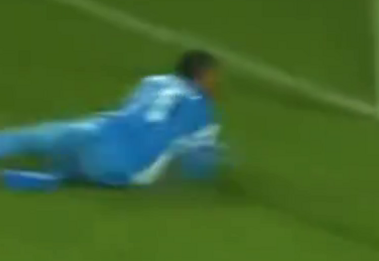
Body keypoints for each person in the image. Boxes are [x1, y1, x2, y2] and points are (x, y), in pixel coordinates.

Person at [0, 50, 225, 191]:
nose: (215, 82)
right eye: (212, 76)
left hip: (94, 131)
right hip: (122, 165)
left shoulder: (153, 82)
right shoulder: (202, 109)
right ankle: (46, 177)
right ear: (201, 75)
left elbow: (136, 114)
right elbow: (199, 163)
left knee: (32, 138)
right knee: (76, 173)